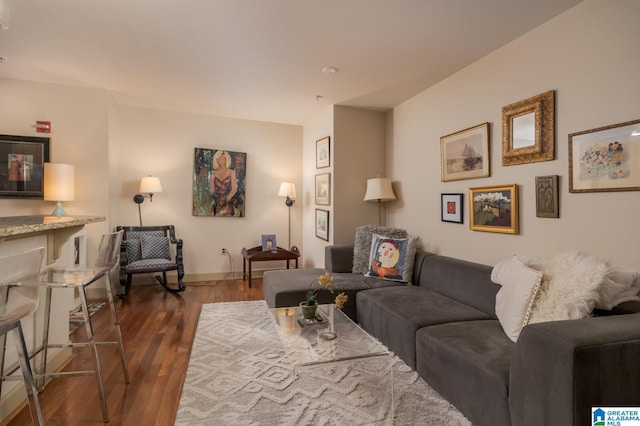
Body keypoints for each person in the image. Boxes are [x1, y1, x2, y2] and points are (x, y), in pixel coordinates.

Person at [210, 150, 238, 216]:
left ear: (227, 159)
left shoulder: (231, 172)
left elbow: (234, 189)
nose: (221, 160)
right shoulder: (213, 173)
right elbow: (212, 189)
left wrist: (227, 199)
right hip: (217, 204)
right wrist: (218, 202)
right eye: (219, 158)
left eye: (223, 158)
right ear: (216, 160)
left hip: (228, 203)